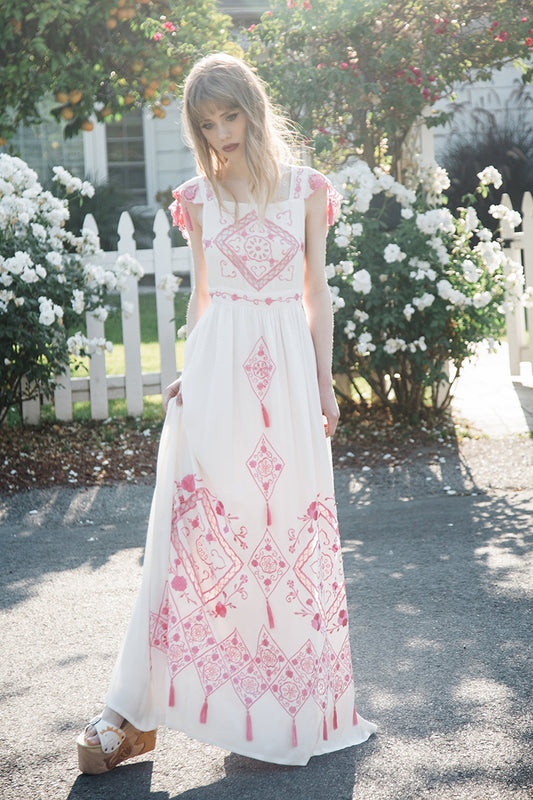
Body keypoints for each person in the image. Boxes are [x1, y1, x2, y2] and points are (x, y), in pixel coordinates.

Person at [77, 52, 376, 774]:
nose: (219, 134)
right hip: (216, 375)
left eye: (229, 116)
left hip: (287, 384)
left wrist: (325, 382)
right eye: (206, 123)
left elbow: (316, 296)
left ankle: (278, 710)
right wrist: (189, 371)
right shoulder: (196, 198)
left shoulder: (306, 189)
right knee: (191, 536)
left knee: (277, 528)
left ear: (253, 107)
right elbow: (202, 299)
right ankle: (136, 711)